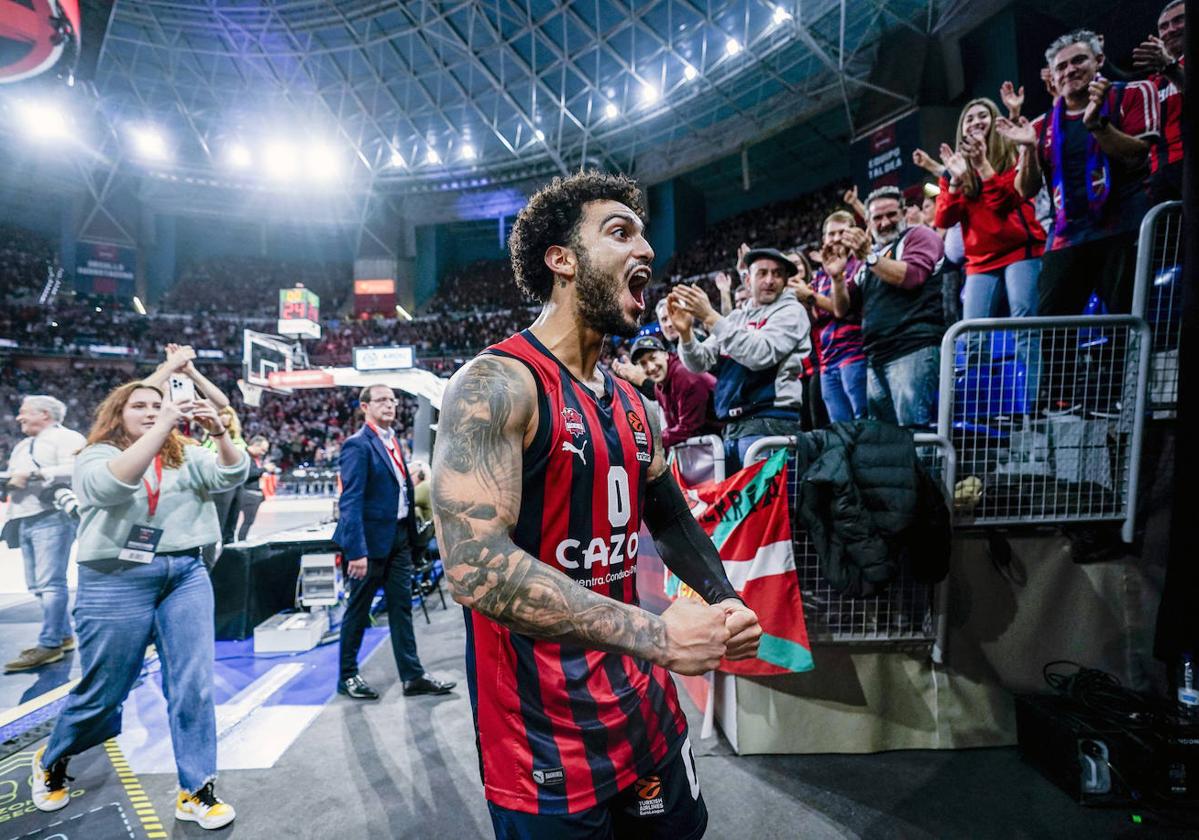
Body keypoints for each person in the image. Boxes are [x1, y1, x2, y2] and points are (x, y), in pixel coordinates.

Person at [431, 170, 761, 839]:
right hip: (542, 740)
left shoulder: (637, 405)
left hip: (644, 713)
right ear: (561, 260)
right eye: (619, 232)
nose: (645, 250)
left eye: (644, 235)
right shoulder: (496, 383)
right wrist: (662, 635)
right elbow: (474, 566)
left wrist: (722, 597)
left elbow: (667, 516)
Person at [30, 381, 247, 830]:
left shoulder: (184, 452)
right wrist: (163, 425)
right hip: (114, 578)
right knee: (107, 687)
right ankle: (53, 757)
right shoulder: (95, 455)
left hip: (185, 573)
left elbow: (231, 474)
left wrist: (221, 434)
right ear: (118, 414)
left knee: (193, 683)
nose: (151, 411)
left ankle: (197, 788)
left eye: (158, 405)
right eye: (140, 406)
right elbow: (112, 486)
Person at [997, 29, 1159, 316]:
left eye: (1078, 61)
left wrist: (1097, 124)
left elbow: (1138, 156)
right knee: (1052, 330)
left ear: (1099, 60)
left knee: (1127, 319)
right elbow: (1026, 189)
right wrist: (1030, 150)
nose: (1070, 70)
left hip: (1124, 227)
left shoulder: (1134, 92)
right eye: (1061, 67)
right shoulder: (1038, 127)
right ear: (1052, 76)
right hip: (1067, 237)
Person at [332, 383, 456, 701]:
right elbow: (351, 501)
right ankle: (346, 676)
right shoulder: (357, 445)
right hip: (369, 546)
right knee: (358, 610)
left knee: (401, 608)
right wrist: (356, 551)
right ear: (365, 407)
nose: (390, 405)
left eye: (393, 400)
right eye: (382, 400)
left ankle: (412, 676)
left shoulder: (393, 442)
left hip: (398, 539)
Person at [936, 97, 1047, 409]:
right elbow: (944, 219)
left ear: (994, 120)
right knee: (972, 337)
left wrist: (984, 166)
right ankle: (981, 409)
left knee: (1024, 326)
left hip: (1020, 252)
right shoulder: (955, 167)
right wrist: (956, 180)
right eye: (969, 119)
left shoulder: (1011, 152)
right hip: (980, 262)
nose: (975, 122)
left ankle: (1035, 403)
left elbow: (1005, 201)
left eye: (982, 116)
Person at [670, 247, 812, 466]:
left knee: (767, 501)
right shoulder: (735, 318)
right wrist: (686, 334)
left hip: (771, 422)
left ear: (785, 282)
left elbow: (759, 354)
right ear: (748, 281)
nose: (770, 280)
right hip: (734, 426)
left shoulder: (792, 312)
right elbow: (700, 362)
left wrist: (710, 317)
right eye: (762, 273)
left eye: (777, 274)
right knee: (742, 500)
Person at [833, 186, 945, 428]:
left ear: (904, 213)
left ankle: (927, 469)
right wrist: (837, 278)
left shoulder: (920, 236)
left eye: (891, 215)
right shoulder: (870, 258)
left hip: (913, 349)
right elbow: (842, 308)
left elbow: (912, 276)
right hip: (876, 356)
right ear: (869, 222)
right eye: (877, 218)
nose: (885, 223)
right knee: (886, 441)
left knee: (913, 433)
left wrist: (869, 258)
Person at [2, 395, 86, 671]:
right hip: (25, 518)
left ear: (45, 414)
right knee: (38, 585)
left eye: (25, 412)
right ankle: (61, 637)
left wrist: (37, 474)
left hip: (52, 516)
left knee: (50, 583)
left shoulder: (66, 438)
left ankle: (49, 643)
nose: (19, 417)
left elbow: (79, 467)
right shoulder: (24, 445)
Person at [794, 212, 869, 423]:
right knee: (839, 427)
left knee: (863, 420)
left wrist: (810, 296)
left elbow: (841, 310)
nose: (835, 238)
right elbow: (816, 318)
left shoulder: (859, 266)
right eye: (830, 234)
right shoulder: (820, 276)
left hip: (854, 355)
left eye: (841, 232)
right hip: (828, 361)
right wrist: (803, 301)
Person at [1134, 0, 1185, 202]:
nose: (1170, 30)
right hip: (1160, 175)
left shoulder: (1169, 70)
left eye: (1179, 20)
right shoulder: (1152, 82)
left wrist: (1170, 68)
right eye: (1163, 26)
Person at [630, 334, 721, 449]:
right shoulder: (659, 387)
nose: (651, 367)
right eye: (643, 364)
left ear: (665, 355)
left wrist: (651, 441)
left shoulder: (684, 375)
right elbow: (675, 428)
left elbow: (688, 428)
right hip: (712, 446)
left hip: (727, 439)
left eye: (653, 358)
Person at [235, 435, 273, 541]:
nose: (263, 453)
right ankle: (241, 544)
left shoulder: (251, 457)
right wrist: (264, 469)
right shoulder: (245, 456)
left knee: (247, 522)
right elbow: (248, 474)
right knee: (247, 522)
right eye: (263, 450)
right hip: (248, 493)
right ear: (256, 445)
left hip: (251, 493)